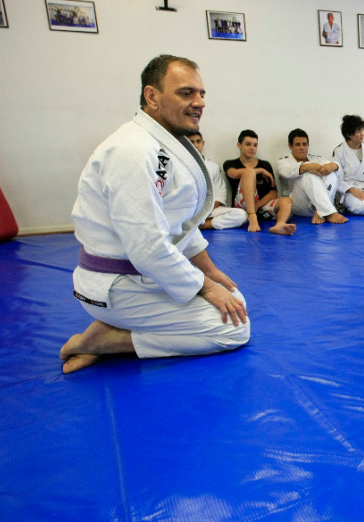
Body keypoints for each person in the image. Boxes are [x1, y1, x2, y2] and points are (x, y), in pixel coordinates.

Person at [60, 54, 249, 374]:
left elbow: (180, 219)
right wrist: (204, 286)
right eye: (186, 93)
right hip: (116, 283)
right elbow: (147, 247)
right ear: (152, 96)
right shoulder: (134, 151)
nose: (199, 102)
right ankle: (105, 341)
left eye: (201, 93)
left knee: (235, 302)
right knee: (233, 330)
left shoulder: (165, 144)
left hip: (142, 275)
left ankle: (117, 327)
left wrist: (210, 271)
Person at [223, 130, 296, 235]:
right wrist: (259, 170)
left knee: (287, 200)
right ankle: (252, 217)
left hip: (261, 206)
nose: (252, 148)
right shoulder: (230, 163)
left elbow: (273, 193)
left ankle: (280, 225)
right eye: (248, 144)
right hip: (242, 208)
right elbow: (233, 174)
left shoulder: (265, 164)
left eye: (255, 145)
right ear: (239, 145)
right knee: (249, 172)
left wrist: (256, 206)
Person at [277, 128, 348, 225]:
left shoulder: (316, 158)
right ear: (290, 146)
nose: (302, 147)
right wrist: (307, 167)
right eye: (298, 144)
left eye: (304, 144)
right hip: (299, 204)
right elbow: (286, 172)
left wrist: (334, 165)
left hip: (317, 206)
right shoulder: (283, 162)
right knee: (308, 174)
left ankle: (320, 210)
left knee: (331, 172)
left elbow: (330, 166)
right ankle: (327, 211)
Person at [187, 132, 248, 231]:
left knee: (241, 215)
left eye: (198, 141)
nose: (195, 145)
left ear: (203, 143)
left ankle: (201, 226)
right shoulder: (179, 166)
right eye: (191, 142)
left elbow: (220, 193)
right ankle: (192, 224)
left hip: (209, 210)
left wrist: (208, 211)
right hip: (187, 211)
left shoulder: (213, 167)